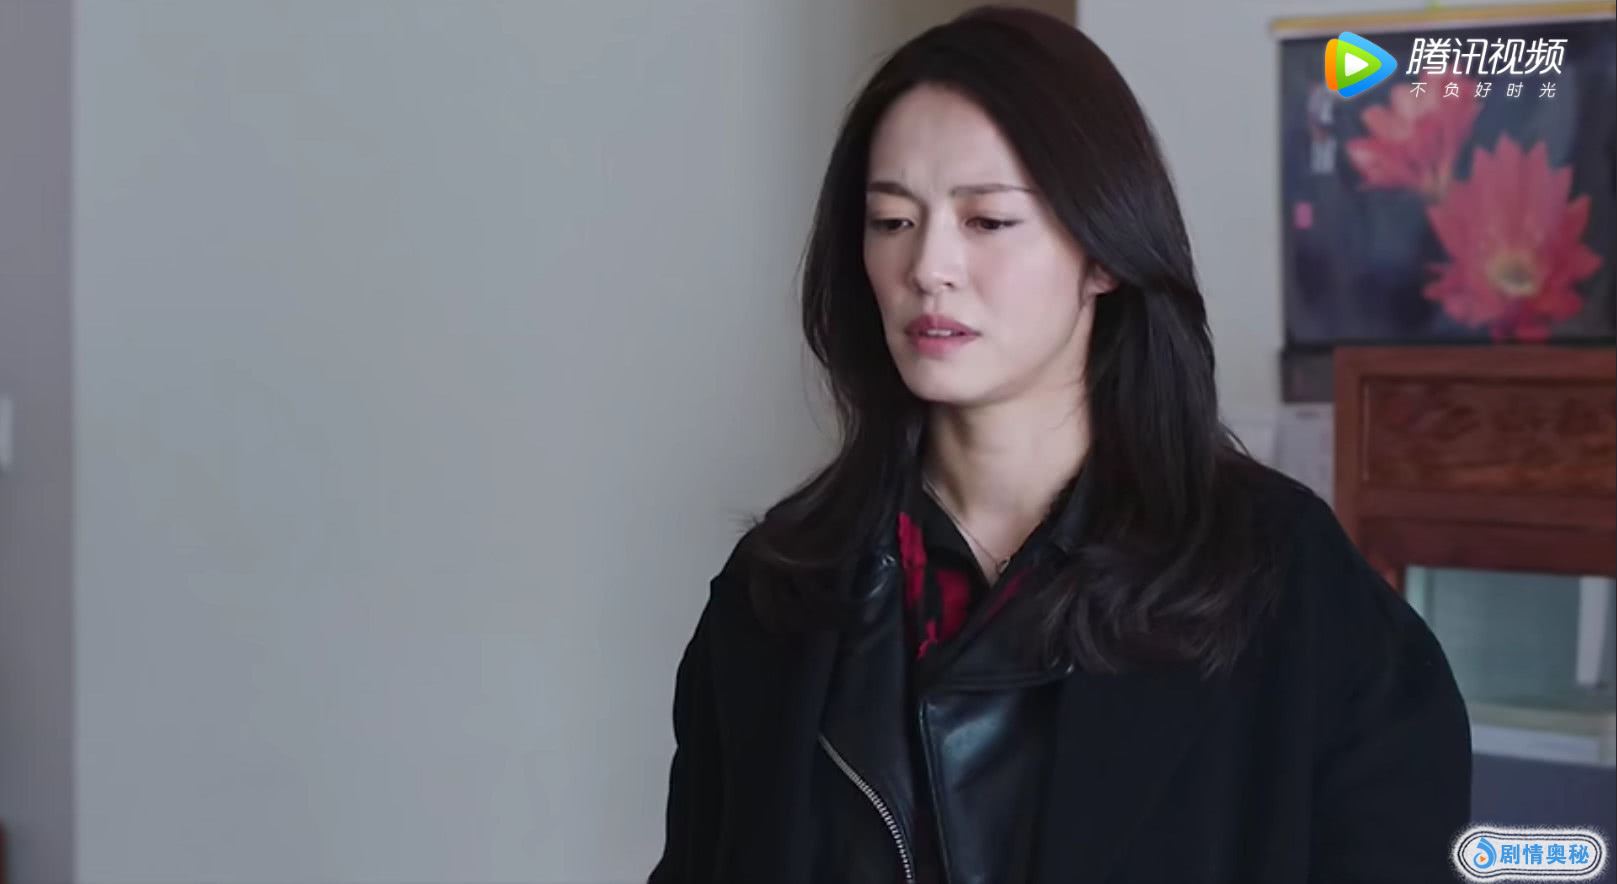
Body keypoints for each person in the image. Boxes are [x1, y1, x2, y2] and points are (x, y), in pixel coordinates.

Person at [649, 7, 1471, 883]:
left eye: (987, 221)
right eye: (891, 221)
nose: (927, 266)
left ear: (1103, 251)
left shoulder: (1278, 579)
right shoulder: (780, 593)